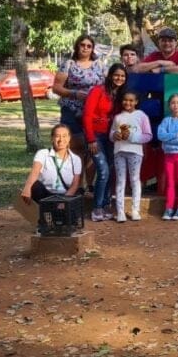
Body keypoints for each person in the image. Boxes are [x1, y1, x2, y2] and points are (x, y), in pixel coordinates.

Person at [53, 34, 107, 170]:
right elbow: (56, 87)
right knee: (75, 147)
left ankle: (89, 186)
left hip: (93, 111)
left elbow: (107, 85)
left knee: (92, 147)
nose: (85, 48)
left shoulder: (99, 65)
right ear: (77, 46)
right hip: (71, 110)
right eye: (82, 45)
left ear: (92, 49)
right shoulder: (68, 64)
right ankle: (77, 184)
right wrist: (74, 94)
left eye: (89, 46)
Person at [82, 63, 128, 221]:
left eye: (122, 76)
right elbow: (87, 116)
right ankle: (97, 207)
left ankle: (107, 203)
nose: (119, 78)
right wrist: (91, 139)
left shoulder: (121, 95)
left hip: (111, 137)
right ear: (110, 75)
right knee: (103, 170)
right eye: (116, 75)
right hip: (96, 136)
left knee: (110, 169)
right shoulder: (97, 91)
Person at [19, 124, 83, 234]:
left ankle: (60, 218)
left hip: (65, 196)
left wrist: (63, 202)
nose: (61, 140)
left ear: (69, 138)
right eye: (57, 136)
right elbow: (34, 173)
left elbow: (75, 184)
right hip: (47, 195)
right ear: (52, 138)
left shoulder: (75, 159)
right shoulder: (43, 154)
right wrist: (27, 187)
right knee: (35, 186)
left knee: (67, 224)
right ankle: (43, 221)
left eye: (64, 136)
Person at [110, 91, 153, 222]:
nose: (127, 103)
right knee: (121, 181)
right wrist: (114, 136)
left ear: (136, 102)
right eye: (125, 100)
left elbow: (148, 135)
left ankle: (135, 209)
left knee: (134, 180)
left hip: (135, 153)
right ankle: (120, 211)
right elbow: (111, 133)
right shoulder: (117, 117)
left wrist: (133, 137)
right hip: (119, 151)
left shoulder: (141, 116)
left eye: (131, 100)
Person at [157, 94, 178, 221]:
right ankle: (169, 207)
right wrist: (175, 135)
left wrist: (169, 138)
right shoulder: (166, 121)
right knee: (170, 182)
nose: (175, 105)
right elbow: (160, 135)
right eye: (173, 103)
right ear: (169, 105)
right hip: (168, 156)